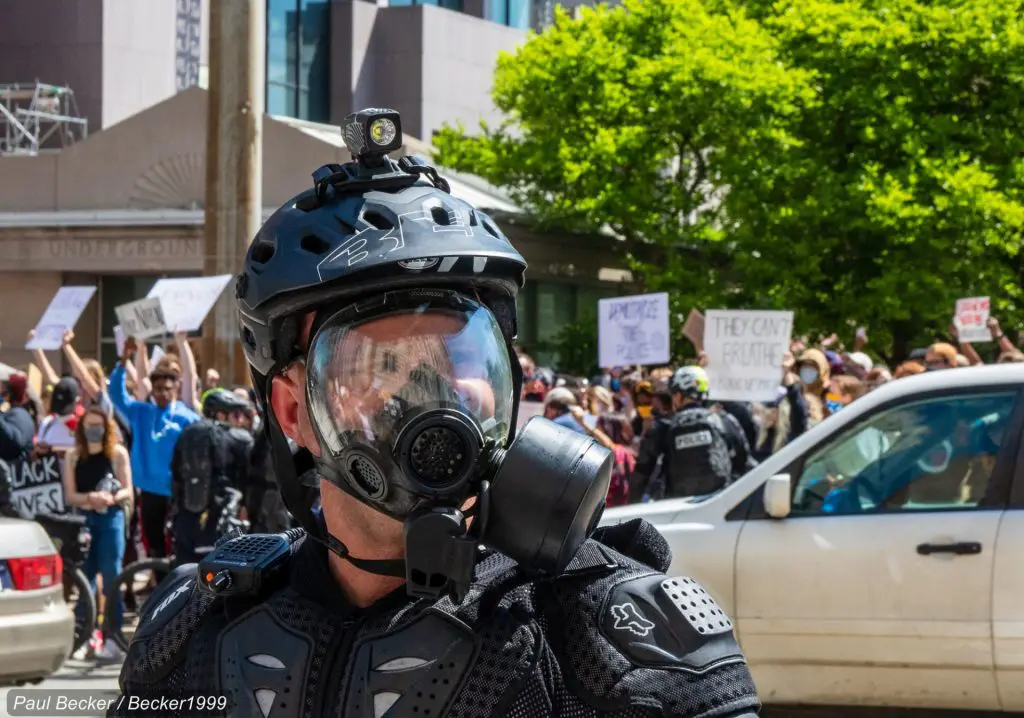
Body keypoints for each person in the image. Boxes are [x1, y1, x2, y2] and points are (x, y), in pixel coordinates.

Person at [111, 109, 758, 717]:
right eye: (379, 368)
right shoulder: (197, 633)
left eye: (457, 361)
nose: (428, 395)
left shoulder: (617, 645)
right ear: (291, 410)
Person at [109, 338, 200, 559]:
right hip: (149, 491)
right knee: (154, 543)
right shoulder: (141, 412)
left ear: (176, 388)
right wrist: (124, 358)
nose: (162, 393)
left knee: (178, 542)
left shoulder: (187, 417)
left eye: (167, 389)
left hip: (177, 491)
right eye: (158, 389)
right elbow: (115, 394)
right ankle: (159, 583)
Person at [61, 406, 133, 660]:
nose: (94, 431)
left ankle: (113, 635)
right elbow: (70, 495)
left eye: (98, 425)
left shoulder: (117, 454)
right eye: (89, 426)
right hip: (84, 519)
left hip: (111, 519)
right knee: (86, 577)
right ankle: (85, 636)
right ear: (81, 428)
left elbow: (128, 490)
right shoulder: (73, 456)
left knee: (112, 575)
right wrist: (90, 498)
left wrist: (110, 498)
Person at [631, 366, 751, 501]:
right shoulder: (724, 421)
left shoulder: (664, 427)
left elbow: (642, 472)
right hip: (720, 504)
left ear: (677, 396)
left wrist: (630, 508)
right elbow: (745, 463)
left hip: (679, 508)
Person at [169, 389, 254, 564]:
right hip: (218, 521)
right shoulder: (238, 439)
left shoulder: (186, 434)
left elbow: (175, 476)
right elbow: (249, 479)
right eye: (235, 415)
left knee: (185, 574)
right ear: (221, 415)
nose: (240, 420)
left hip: (186, 521)